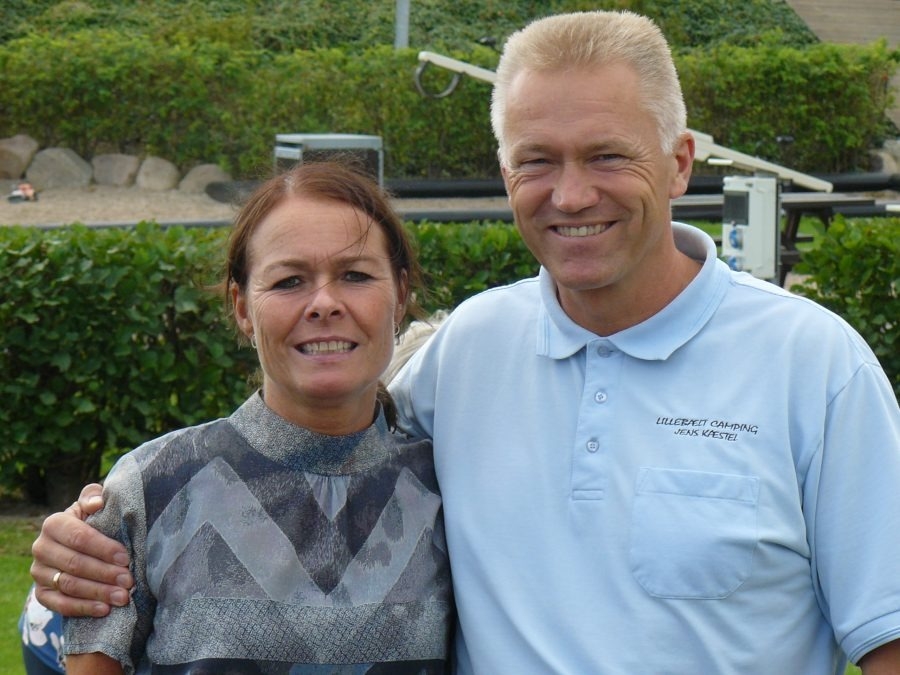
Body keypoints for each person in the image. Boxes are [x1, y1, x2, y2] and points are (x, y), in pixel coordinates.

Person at [30, 9, 900, 674]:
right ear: (504, 172)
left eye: (607, 155)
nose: (570, 194)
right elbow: (309, 442)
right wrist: (100, 530)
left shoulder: (815, 367)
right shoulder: (473, 349)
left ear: (679, 162)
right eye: (536, 160)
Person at [41, 160, 454, 673]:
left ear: (400, 295)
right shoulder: (150, 490)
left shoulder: (449, 492)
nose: (324, 303)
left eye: (355, 275)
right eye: (289, 281)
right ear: (242, 308)